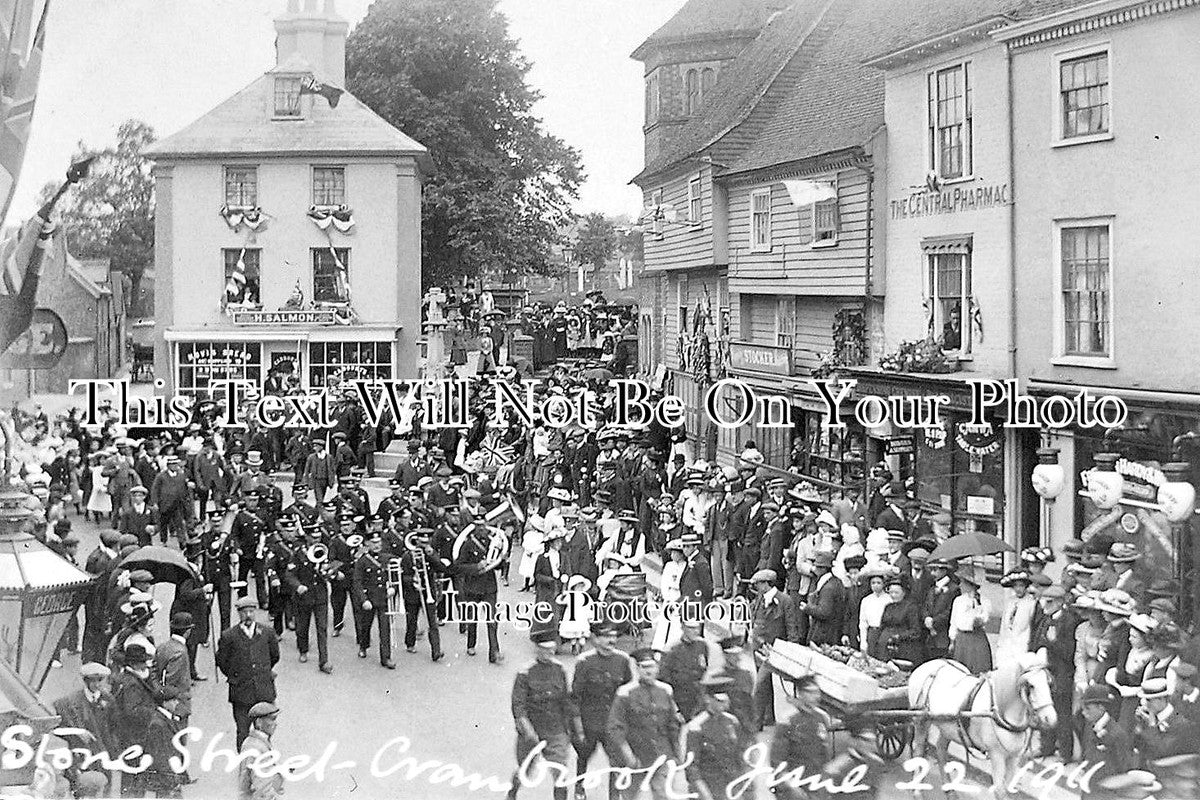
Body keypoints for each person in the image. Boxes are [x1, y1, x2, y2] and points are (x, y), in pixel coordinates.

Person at [507, 629, 582, 800]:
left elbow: (566, 700)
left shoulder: (560, 670)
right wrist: (528, 731)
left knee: (560, 773)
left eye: (552, 650)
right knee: (525, 769)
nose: (549, 653)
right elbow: (518, 707)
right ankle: (513, 793)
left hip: (556, 731)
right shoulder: (525, 673)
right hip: (532, 732)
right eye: (545, 649)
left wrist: (573, 728)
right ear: (537, 650)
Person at [607, 648, 682, 800]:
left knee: (664, 794)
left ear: (658, 668)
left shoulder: (666, 690)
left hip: (662, 753)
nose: (648, 671)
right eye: (644, 667)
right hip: (636, 754)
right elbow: (615, 727)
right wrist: (627, 754)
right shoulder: (625, 692)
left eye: (652, 667)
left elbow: (673, 724)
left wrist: (676, 753)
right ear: (637, 669)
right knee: (632, 796)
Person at [571, 622, 634, 800]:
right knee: (584, 755)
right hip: (589, 721)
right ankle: (579, 788)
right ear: (595, 639)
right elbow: (575, 696)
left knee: (616, 762)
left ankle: (614, 797)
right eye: (606, 636)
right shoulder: (585, 662)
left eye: (614, 636)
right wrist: (578, 726)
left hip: (612, 723)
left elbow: (627, 693)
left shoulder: (622, 660)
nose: (611, 640)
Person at [215, 596, 280, 749]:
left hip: (264, 691)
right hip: (241, 693)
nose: (248, 615)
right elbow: (222, 661)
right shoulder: (229, 636)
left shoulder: (267, 632)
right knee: (243, 731)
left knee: (266, 731)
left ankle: (264, 761)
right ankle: (245, 763)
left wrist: (263, 672)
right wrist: (237, 675)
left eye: (251, 611)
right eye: (245, 612)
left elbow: (274, 656)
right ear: (239, 614)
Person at [680, 675, 755, 800]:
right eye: (719, 700)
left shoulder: (731, 721)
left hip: (731, 784)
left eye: (725, 701)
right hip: (709, 787)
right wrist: (705, 795)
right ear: (708, 699)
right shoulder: (696, 727)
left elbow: (741, 755)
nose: (724, 705)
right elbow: (692, 768)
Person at [52, 663, 118, 796]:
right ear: (86, 681)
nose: (97, 684)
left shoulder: (108, 699)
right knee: (82, 787)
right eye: (93, 680)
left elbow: (114, 726)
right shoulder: (71, 702)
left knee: (104, 786)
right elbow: (61, 728)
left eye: (100, 680)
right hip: (82, 753)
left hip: (102, 751)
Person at [747, 569, 801, 731]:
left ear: (766, 584)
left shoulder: (785, 601)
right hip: (758, 647)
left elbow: (792, 627)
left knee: (760, 685)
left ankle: (756, 723)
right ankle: (768, 717)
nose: (756, 587)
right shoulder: (759, 599)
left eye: (758, 584)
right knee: (765, 685)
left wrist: (791, 649)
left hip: (774, 650)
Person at [1030, 585, 1078, 761]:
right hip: (1045, 671)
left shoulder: (1069, 621)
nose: (1045, 605)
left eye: (1049, 602)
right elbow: (1035, 642)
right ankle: (1046, 747)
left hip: (1061, 673)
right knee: (1044, 708)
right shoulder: (1045, 620)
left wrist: (1052, 642)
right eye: (1044, 601)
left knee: (1062, 713)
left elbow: (1068, 652)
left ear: (1060, 602)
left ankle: (1066, 753)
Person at [769, 674, 833, 800]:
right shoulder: (788, 721)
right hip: (793, 784)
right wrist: (791, 787)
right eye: (810, 693)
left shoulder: (822, 718)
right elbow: (777, 762)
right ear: (801, 694)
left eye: (817, 692)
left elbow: (826, 754)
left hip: (816, 782)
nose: (815, 697)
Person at [285, 525, 334, 673]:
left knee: (322, 628)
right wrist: (298, 586)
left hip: (320, 595)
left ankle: (324, 661)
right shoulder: (299, 553)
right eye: (313, 537)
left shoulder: (324, 551)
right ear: (306, 537)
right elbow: (289, 574)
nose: (316, 540)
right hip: (303, 597)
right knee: (302, 626)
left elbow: (331, 569)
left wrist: (331, 572)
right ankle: (303, 649)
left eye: (318, 537)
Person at [352, 530, 396, 669]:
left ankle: (386, 657)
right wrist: (364, 600)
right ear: (367, 544)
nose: (377, 545)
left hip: (383, 599)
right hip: (369, 600)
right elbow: (357, 582)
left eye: (378, 542)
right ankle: (363, 646)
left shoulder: (387, 558)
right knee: (366, 626)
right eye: (373, 543)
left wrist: (393, 588)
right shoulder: (362, 561)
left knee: (385, 628)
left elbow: (394, 575)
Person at [659, 620, 717, 723]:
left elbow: (706, 670)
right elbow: (664, 680)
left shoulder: (703, 646)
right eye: (691, 628)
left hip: (698, 699)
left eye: (697, 628)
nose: (695, 631)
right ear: (683, 628)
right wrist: (675, 709)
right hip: (680, 699)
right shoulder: (672, 649)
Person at [238, 702, 285, 800]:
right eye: (272, 719)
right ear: (259, 722)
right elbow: (263, 789)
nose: (275, 724)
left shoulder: (254, 741)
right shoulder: (256, 747)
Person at [874, 577, 924, 664]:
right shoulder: (888, 607)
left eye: (896, 592)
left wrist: (899, 636)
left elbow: (915, 630)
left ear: (904, 593)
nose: (893, 595)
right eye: (891, 592)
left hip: (903, 647)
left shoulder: (911, 607)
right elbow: (882, 626)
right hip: (884, 644)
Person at [799, 550, 843, 646]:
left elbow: (824, 612)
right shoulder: (834, 582)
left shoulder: (828, 588)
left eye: (818, 567)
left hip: (824, 635)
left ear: (824, 569)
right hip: (831, 632)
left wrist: (807, 608)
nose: (815, 569)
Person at [922, 558, 958, 661]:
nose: (933, 573)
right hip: (930, 636)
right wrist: (926, 618)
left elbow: (950, 611)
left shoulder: (953, 589)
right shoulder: (931, 588)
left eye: (935, 570)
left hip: (943, 634)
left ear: (944, 570)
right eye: (931, 570)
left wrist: (935, 621)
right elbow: (926, 606)